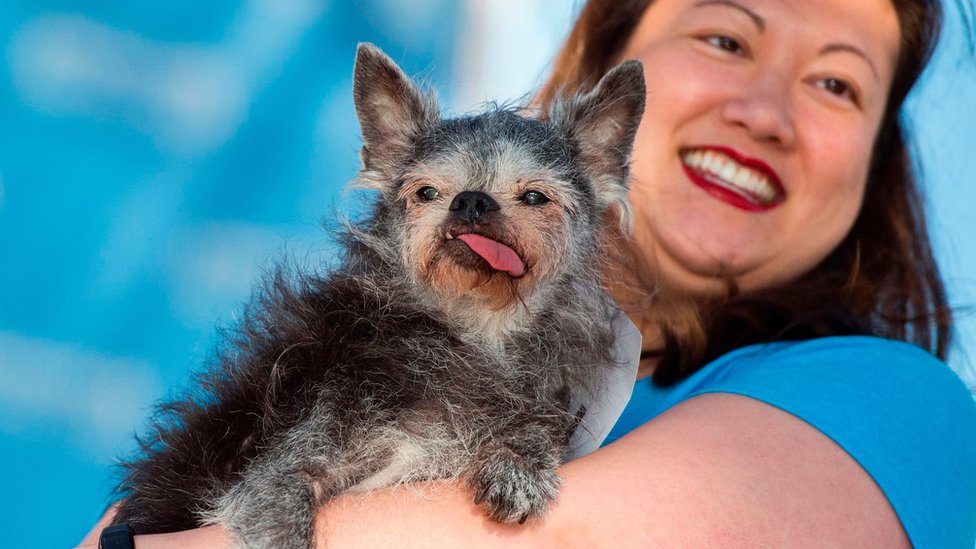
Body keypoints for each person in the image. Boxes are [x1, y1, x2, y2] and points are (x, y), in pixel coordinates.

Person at [78, 0, 976, 546]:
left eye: (836, 85)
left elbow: (561, 535)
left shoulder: (892, 403)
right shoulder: (322, 361)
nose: (766, 110)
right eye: (727, 40)